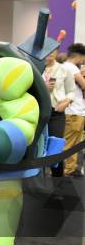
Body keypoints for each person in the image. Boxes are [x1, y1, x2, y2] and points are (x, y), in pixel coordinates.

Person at [44, 49, 75, 176]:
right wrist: (43, 87)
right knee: (37, 147)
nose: (50, 53)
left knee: (56, 147)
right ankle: (35, 183)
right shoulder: (36, 67)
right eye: (48, 50)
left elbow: (71, 91)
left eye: (53, 51)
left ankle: (58, 181)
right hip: (38, 111)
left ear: (57, 53)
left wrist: (66, 102)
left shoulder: (64, 69)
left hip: (56, 112)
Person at [62, 43, 85, 177]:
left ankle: (70, 170)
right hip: (74, 111)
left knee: (72, 143)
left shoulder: (64, 67)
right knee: (71, 144)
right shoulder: (72, 68)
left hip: (73, 111)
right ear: (81, 57)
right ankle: (67, 171)